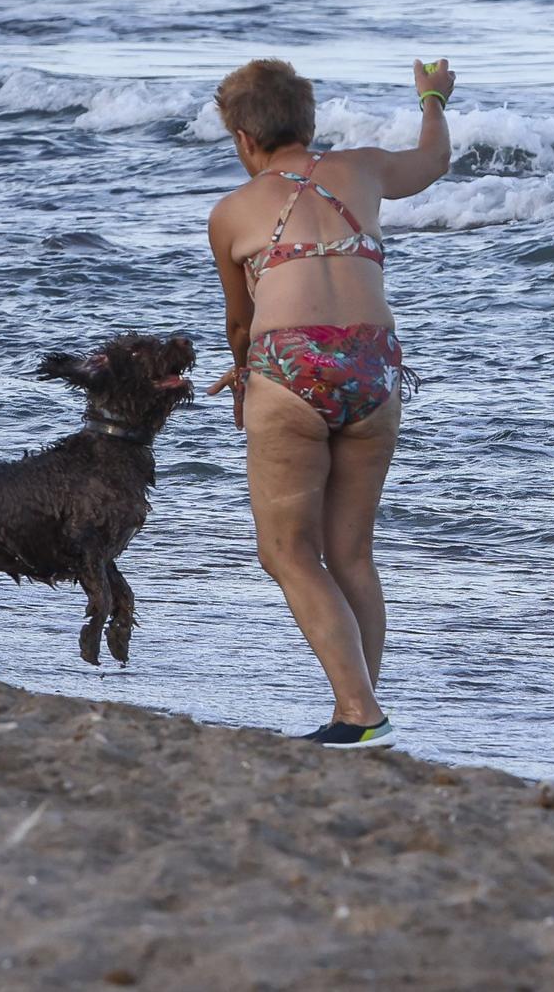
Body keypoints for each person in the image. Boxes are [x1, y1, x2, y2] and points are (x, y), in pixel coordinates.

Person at [206, 56, 454, 749]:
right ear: (309, 124)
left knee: (287, 550)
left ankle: (359, 709)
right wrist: (433, 95)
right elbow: (434, 159)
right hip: (375, 365)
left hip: (291, 366)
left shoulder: (231, 213)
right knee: (351, 552)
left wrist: (244, 374)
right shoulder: (365, 168)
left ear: (244, 140)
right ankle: (361, 707)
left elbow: (239, 319)